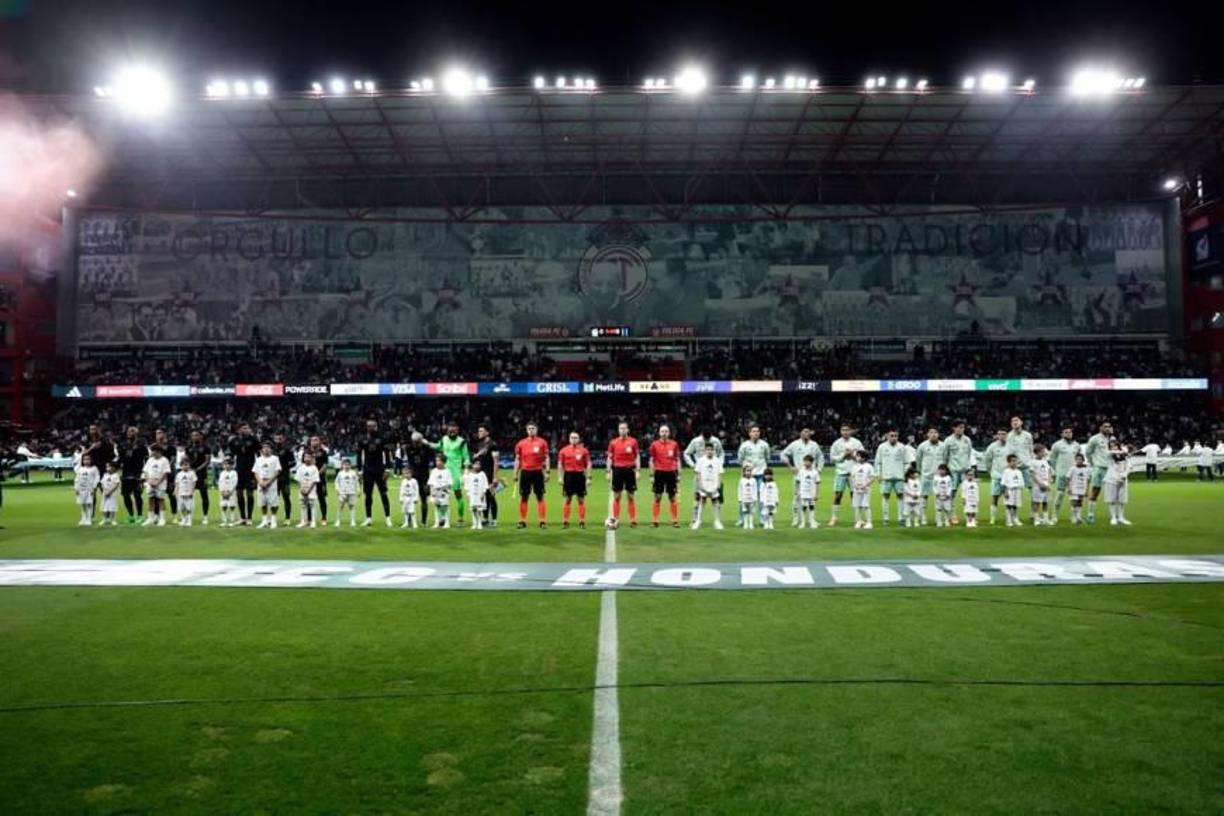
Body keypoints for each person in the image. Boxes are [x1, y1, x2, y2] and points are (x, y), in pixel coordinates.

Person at [427, 424, 471, 526]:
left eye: (453, 431)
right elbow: (437, 446)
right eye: (449, 431)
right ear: (447, 431)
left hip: (455, 473)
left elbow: (466, 457)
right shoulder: (444, 439)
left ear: (457, 431)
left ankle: (460, 519)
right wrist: (427, 443)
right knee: (440, 496)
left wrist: (466, 470)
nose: (451, 433)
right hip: (444, 472)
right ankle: (442, 519)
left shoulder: (462, 442)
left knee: (458, 495)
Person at [781, 428, 823, 527]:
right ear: (800, 433)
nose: (806, 433)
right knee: (797, 497)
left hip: (811, 475)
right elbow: (783, 454)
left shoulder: (814, 445)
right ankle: (796, 519)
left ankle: (812, 519)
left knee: (812, 497)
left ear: (810, 433)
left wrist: (819, 470)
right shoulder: (795, 444)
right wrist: (790, 466)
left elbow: (820, 457)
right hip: (799, 474)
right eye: (804, 431)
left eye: (808, 431)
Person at [683, 429, 725, 526]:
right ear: (702, 434)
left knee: (717, 497)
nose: (707, 439)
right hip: (700, 473)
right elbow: (686, 453)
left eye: (709, 437)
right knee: (697, 496)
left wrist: (720, 464)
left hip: (714, 473)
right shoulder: (695, 441)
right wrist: (693, 465)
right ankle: (695, 519)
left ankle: (718, 520)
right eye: (705, 438)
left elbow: (722, 453)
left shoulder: (716, 441)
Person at [513, 422, 550, 528]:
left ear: (536, 430)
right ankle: (522, 521)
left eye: (533, 428)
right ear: (526, 430)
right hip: (525, 472)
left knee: (540, 497)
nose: (531, 430)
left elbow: (546, 457)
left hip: (538, 472)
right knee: (524, 497)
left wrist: (547, 472)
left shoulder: (542, 442)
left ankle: (542, 521)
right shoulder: (521, 443)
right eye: (529, 428)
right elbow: (517, 459)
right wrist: (515, 473)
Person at [357, 420, 393, 527]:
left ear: (376, 427)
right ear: (366, 427)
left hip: (379, 469)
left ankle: (387, 518)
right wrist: (359, 470)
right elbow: (359, 455)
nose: (371, 428)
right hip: (367, 470)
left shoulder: (382, 438)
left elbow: (387, 454)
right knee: (368, 495)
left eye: (373, 426)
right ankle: (368, 518)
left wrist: (388, 469)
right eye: (369, 426)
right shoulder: (362, 439)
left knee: (383, 493)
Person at [606, 421, 641, 527]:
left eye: (625, 428)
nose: (623, 430)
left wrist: (638, 471)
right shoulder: (613, 442)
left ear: (628, 430)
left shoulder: (633, 441)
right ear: (618, 430)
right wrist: (608, 471)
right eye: (621, 428)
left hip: (630, 470)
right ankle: (616, 519)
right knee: (617, 496)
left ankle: (633, 520)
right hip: (617, 471)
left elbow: (637, 456)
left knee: (631, 496)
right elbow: (609, 457)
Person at [828, 424, 863, 527]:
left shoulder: (857, 443)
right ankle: (834, 517)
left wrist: (852, 455)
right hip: (841, 472)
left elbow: (863, 456)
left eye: (847, 430)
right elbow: (832, 458)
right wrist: (843, 455)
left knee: (855, 496)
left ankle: (858, 519)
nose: (845, 432)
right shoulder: (836, 443)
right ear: (840, 431)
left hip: (854, 473)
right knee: (838, 495)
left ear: (851, 431)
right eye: (843, 430)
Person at [649, 424, 683, 528]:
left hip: (671, 473)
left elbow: (677, 460)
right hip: (659, 472)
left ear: (669, 433)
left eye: (666, 431)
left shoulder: (674, 444)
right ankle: (655, 520)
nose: (664, 433)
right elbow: (651, 460)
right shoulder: (654, 445)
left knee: (672, 497)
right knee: (657, 497)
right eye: (662, 431)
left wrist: (679, 474)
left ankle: (675, 520)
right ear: (659, 433)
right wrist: (651, 475)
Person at [227, 423, 260, 526]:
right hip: (239, 470)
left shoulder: (254, 440)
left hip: (251, 469)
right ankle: (242, 517)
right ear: (239, 430)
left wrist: (258, 468)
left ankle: (249, 517)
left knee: (250, 493)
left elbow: (259, 453)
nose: (247, 429)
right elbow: (231, 454)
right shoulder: (234, 441)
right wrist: (229, 465)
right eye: (244, 428)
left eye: (248, 428)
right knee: (239, 493)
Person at [557, 431, 592, 529]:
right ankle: (565, 521)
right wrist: (560, 477)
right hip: (568, 476)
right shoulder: (563, 451)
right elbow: (560, 465)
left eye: (576, 438)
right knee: (567, 499)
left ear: (579, 439)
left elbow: (588, 464)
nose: (574, 439)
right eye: (572, 437)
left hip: (580, 476)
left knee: (581, 500)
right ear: (569, 439)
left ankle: (582, 521)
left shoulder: (584, 451)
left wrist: (588, 478)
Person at [736, 425, 770, 524]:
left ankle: (763, 519)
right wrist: (745, 470)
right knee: (744, 496)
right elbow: (740, 459)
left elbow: (767, 458)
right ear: (749, 433)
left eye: (757, 431)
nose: (756, 433)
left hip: (761, 474)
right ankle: (742, 519)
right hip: (748, 475)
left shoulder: (764, 444)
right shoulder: (744, 445)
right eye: (753, 431)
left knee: (762, 497)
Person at [1082, 421, 1114, 524]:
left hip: (1111, 468)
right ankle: (1090, 515)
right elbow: (1088, 452)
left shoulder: (1113, 439)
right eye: (1105, 427)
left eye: (1109, 426)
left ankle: (1113, 516)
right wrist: (1093, 463)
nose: (1107, 428)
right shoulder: (1094, 439)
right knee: (1095, 491)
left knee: (1112, 492)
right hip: (1099, 468)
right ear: (1100, 428)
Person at [874, 429, 908, 527]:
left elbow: (906, 462)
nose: (894, 438)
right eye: (891, 436)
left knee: (901, 497)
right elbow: (878, 462)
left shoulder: (902, 447)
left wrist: (905, 474)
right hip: (886, 476)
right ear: (887, 436)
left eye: (895, 436)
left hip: (899, 477)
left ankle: (901, 518)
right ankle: (885, 519)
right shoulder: (882, 447)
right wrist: (877, 474)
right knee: (885, 497)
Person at [913, 428, 945, 526]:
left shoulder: (943, 446)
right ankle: (923, 518)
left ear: (938, 434)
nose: (933, 434)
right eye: (931, 432)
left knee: (939, 498)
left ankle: (938, 518)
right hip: (926, 475)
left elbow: (946, 460)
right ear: (927, 434)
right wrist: (920, 471)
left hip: (939, 477)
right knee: (923, 497)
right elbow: (918, 460)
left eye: (935, 432)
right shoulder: (922, 446)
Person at [1048, 427, 1079, 523]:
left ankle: (1073, 516)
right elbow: (1052, 459)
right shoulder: (1057, 445)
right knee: (1060, 494)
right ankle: (1055, 515)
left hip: (1074, 475)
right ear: (1062, 434)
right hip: (1061, 474)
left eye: (1070, 432)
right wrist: (1056, 470)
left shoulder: (1076, 445)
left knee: (1074, 496)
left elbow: (1078, 458)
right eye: (1066, 432)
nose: (1068, 434)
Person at [117, 426, 147, 524]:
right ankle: (131, 515)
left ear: (137, 433)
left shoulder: (141, 444)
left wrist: (144, 472)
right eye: (129, 431)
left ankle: (139, 515)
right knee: (125, 495)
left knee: (137, 494)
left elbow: (146, 457)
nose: (130, 433)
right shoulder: (123, 444)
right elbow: (120, 458)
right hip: (126, 472)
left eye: (132, 431)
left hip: (137, 472)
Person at [691, 443, 725, 530]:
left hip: (714, 485)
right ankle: (698, 521)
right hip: (704, 485)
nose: (710, 451)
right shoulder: (701, 460)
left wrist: (718, 484)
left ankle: (717, 521)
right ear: (705, 451)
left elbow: (720, 473)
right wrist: (700, 484)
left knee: (715, 502)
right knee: (702, 502)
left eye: (711, 450)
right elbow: (698, 473)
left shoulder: (717, 460)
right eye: (708, 450)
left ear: (714, 451)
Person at [405, 432, 435, 527]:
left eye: (418, 442)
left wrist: (428, 444)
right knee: (409, 498)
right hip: (413, 476)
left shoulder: (426, 448)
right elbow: (410, 462)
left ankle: (424, 521)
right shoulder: (409, 448)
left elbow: (435, 454)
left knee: (423, 498)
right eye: (414, 442)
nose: (416, 444)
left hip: (424, 476)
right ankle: (408, 520)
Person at [980, 429, 1009, 525]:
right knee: (994, 497)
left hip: (1008, 476)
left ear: (1007, 435)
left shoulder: (1011, 446)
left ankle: (1009, 518)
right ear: (997, 435)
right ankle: (992, 518)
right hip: (996, 475)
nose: (1002, 436)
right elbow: (987, 460)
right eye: (999, 434)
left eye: (1004, 434)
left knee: (1009, 497)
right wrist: (990, 471)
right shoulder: (992, 446)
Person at [472, 426, 499, 527]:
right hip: (481, 475)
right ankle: (485, 519)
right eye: (478, 430)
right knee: (483, 497)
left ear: (487, 432)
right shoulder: (479, 444)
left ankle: (494, 520)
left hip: (490, 474)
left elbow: (496, 462)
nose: (479, 432)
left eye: (481, 431)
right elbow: (476, 459)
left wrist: (495, 477)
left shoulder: (493, 444)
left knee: (491, 496)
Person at [253, 442, 282, 529]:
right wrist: (260, 482)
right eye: (264, 447)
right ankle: (264, 521)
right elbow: (255, 472)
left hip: (271, 483)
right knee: (262, 503)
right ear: (262, 450)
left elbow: (278, 471)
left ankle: (273, 521)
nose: (266, 449)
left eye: (268, 447)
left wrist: (269, 482)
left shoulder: (275, 459)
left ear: (271, 449)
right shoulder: (258, 459)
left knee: (273, 503)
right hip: (261, 483)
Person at [141, 444, 171, 527]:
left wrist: (158, 482)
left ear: (158, 451)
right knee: (151, 500)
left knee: (161, 500)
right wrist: (149, 481)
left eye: (153, 451)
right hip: (150, 483)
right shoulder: (150, 460)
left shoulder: (164, 460)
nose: (152, 453)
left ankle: (162, 519)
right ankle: (150, 518)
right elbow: (146, 471)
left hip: (160, 484)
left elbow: (166, 472)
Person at [187, 429, 212, 526]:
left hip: (202, 474)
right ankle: (189, 516)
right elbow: (186, 459)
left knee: (204, 495)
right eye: (193, 435)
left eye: (196, 435)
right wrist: (189, 468)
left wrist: (197, 469)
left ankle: (205, 517)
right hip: (190, 474)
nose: (194, 437)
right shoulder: (189, 447)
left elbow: (207, 461)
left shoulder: (206, 447)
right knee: (189, 495)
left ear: (201, 436)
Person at [1104, 443, 1133, 525]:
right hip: (1111, 480)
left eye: (1116, 446)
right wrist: (1122, 452)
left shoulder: (1125, 458)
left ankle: (1121, 517)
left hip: (1123, 480)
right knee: (1112, 499)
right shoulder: (1109, 457)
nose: (1114, 448)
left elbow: (1128, 467)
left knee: (1122, 500)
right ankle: (1113, 517)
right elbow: (1108, 453)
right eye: (1112, 446)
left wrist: (1124, 475)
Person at [306, 435, 331, 526]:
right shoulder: (307, 452)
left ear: (319, 442)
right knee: (309, 499)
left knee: (321, 498)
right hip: (308, 479)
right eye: (312, 440)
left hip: (320, 479)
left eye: (316, 440)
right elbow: (303, 464)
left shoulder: (323, 452)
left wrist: (317, 474)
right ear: (310, 442)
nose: (314, 442)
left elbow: (325, 465)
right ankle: (309, 519)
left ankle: (324, 518)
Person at [273, 432, 296, 523]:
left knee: (286, 497)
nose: (278, 440)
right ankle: (273, 518)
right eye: (277, 438)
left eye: (280, 438)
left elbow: (293, 462)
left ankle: (287, 518)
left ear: (283, 439)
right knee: (274, 498)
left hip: (284, 477)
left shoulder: (287, 450)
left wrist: (285, 467)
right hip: (274, 478)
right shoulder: (272, 450)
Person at [850, 449, 876, 529]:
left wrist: (865, 485)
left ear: (864, 458)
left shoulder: (869, 466)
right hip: (856, 489)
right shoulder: (854, 466)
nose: (857, 457)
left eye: (858, 456)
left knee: (865, 506)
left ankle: (869, 522)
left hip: (865, 490)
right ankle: (858, 521)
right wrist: (855, 485)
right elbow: (851, 477)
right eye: (857, 456)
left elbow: (872, 478)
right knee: (856, 506)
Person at [73, 452, 100, 527]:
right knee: (82, 504)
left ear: (91, 460)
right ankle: (83, 518)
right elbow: (77, 479)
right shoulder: (80, 469)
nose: (86, 461)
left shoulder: (94, 468)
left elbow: (97, 478)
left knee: (89, 504)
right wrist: (76, 488)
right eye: (84, 459)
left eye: (88, 459)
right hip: (81, 489)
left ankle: (89, 518)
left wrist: (94, 487)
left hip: (89, 489)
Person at [1029, 444, 1052, 526]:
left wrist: (1049, 482)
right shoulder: (1032, 462)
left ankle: (1045, 518)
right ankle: (1036, 519)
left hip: (1046, 483)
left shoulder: (1045, 461)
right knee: (1037, 502)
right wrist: (1040, 484)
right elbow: (1032, 474)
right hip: (1037, 485)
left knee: (1045, 502)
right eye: (1043, 451)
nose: (1044, 453)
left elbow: (1049, 472)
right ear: (1037, 452)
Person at [795, 454, 820, 529]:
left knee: (812, 507)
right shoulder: (801, 471)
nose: (806, 463)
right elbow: (798, 482)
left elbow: (817, 483)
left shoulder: (815, 472)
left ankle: (812, 522)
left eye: (807, 461)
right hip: (803, 493)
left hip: (811, 493)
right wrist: (797, 491)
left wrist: (817, 494)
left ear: (811, 462)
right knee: (803, 507)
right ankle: (803, 522)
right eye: (805, 461)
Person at [428, 454, 453, 528]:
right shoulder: (434, 471)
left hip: (444, 492)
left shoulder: (447, 471)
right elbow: (431, 483)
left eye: (439, 461)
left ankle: (447, 523)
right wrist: (432, 492)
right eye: (436, 460)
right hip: (436, 492)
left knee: (445, 507)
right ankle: (437, 522)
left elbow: (450, 483)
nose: (437, 462)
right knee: (437, 507)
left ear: (443, 462)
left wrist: (444, 489)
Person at [296, 452, 320, 528]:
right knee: (303, 505)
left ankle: (313, 522)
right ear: (303, 458)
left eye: (309, 457)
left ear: (312, 458)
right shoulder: (300, 468)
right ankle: (303, 521)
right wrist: (302, 488)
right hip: (302, 490)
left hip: (311, 490)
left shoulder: (314, 468)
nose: (307, 458)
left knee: (312, 505)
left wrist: (308, 490)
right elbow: (298, 479)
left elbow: (315, 480)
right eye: (305, 457)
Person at [463, 461, 490, 530]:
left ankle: (479, 523)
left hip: (480, 495)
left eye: (478, 465)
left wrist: (483, 493)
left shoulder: (482, 474)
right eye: (475, 464)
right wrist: (468, 495)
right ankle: (474, 523)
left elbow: (485, 485)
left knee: (479, 509)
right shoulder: (470, 475)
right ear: (473, 465)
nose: (477, 466)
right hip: (472, 495)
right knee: (473, 509)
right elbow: (467, 486)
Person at [1001, 454, 1025, 527]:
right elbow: (1004, 482)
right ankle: (1009, 520)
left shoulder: (1019, 472)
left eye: (1015, 461)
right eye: (1013, 461)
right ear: (1009, 462)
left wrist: (1021, 491)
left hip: (1017, 490)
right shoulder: (1006, 471)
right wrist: (1005, 491)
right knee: (1009, 505)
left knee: (1015, 505)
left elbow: (1021, 482)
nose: (1014, 463)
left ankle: (1015, 518)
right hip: (1010, 490)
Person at [1067, 453, 1091, 525]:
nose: (1079, 461)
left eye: (1080, 459)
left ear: (1083, 460)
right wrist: (1069, 488)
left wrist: (1087, 490)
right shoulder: (1072, 468)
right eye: (1077, 459)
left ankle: (1079, 517)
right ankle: (1074, 517)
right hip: (1074, 488)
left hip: (1082, 489)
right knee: (1074, 503)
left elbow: (1088, 480)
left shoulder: (1086, 469)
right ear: (1075, 460)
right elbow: (1068, 478)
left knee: (1080, 503)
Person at [335, 459, 360, 527]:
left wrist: (358, 490)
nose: (346, 466)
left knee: (351, 506)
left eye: (348, 465)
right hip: (342, 493)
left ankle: (352, 521)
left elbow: (357, 482)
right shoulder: (340, 473)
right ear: (342, 465)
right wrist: (337, 489)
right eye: (345, 465)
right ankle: (338, 521)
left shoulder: (353, 473)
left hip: (351, 492)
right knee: (340, 507)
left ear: (350, 465)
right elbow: (336, 482)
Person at [174, 460, 197, 526]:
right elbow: (177, 483)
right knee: (182, 508)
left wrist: (192, 491)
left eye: (187, 465)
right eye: (184, 465)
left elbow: (194, 482)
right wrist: (175, 491)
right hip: (181, 493)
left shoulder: (192, 473)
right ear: (181, 466)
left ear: (189, 465)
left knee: (188, 507)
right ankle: (184, 519)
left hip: (188, 493)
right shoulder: (179, 474)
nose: (185, 466)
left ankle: (189, 520)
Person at [217, 458, 239, 527]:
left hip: (231, 493)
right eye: (225, 464)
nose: (226, 466)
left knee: (232, 506)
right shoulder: (222, 473)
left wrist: (229, 492)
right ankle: (224, 521)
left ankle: (232, 521)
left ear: (232, 465)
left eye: (228, 464)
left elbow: (235, 483)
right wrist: (222, 491)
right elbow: (220, 482)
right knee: (223, 506)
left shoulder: (234, 473)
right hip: (223, 493)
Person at [736, 465, 758, 530]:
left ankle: (751, 523)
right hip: (744, 499)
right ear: (744, 472)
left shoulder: (753, 480)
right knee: (745, 511)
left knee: (751, 511)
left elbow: (755, 489)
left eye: (750, 471)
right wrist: (740, 498)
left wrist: (755, 498)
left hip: (751, 498)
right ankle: (745, 523)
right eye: (747, 471)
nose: (748, 472)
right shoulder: (742, 480)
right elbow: (739, 490)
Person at [99, 462, 121, 526]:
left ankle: (113, 519)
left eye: (109, 467)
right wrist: (105, 490)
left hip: (112, 494)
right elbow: (102, 483)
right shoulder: (105, 475)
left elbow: (116, 484)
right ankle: (104, 519)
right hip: (105, 493)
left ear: (114, 468)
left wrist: (110, 491)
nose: (108, 468)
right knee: (104, 506)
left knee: (112, 507)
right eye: (107, 467)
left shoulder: (116, 475)